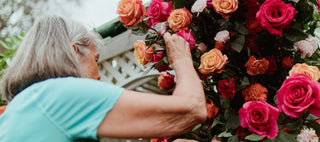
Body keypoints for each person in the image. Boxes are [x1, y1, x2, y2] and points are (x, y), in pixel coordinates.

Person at [0, 15, 206, 141]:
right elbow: (192, 108)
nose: (99, 76)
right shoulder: (61, 94)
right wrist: (181, 59)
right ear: (74, 52)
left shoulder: (20, 109)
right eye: (95, 59)